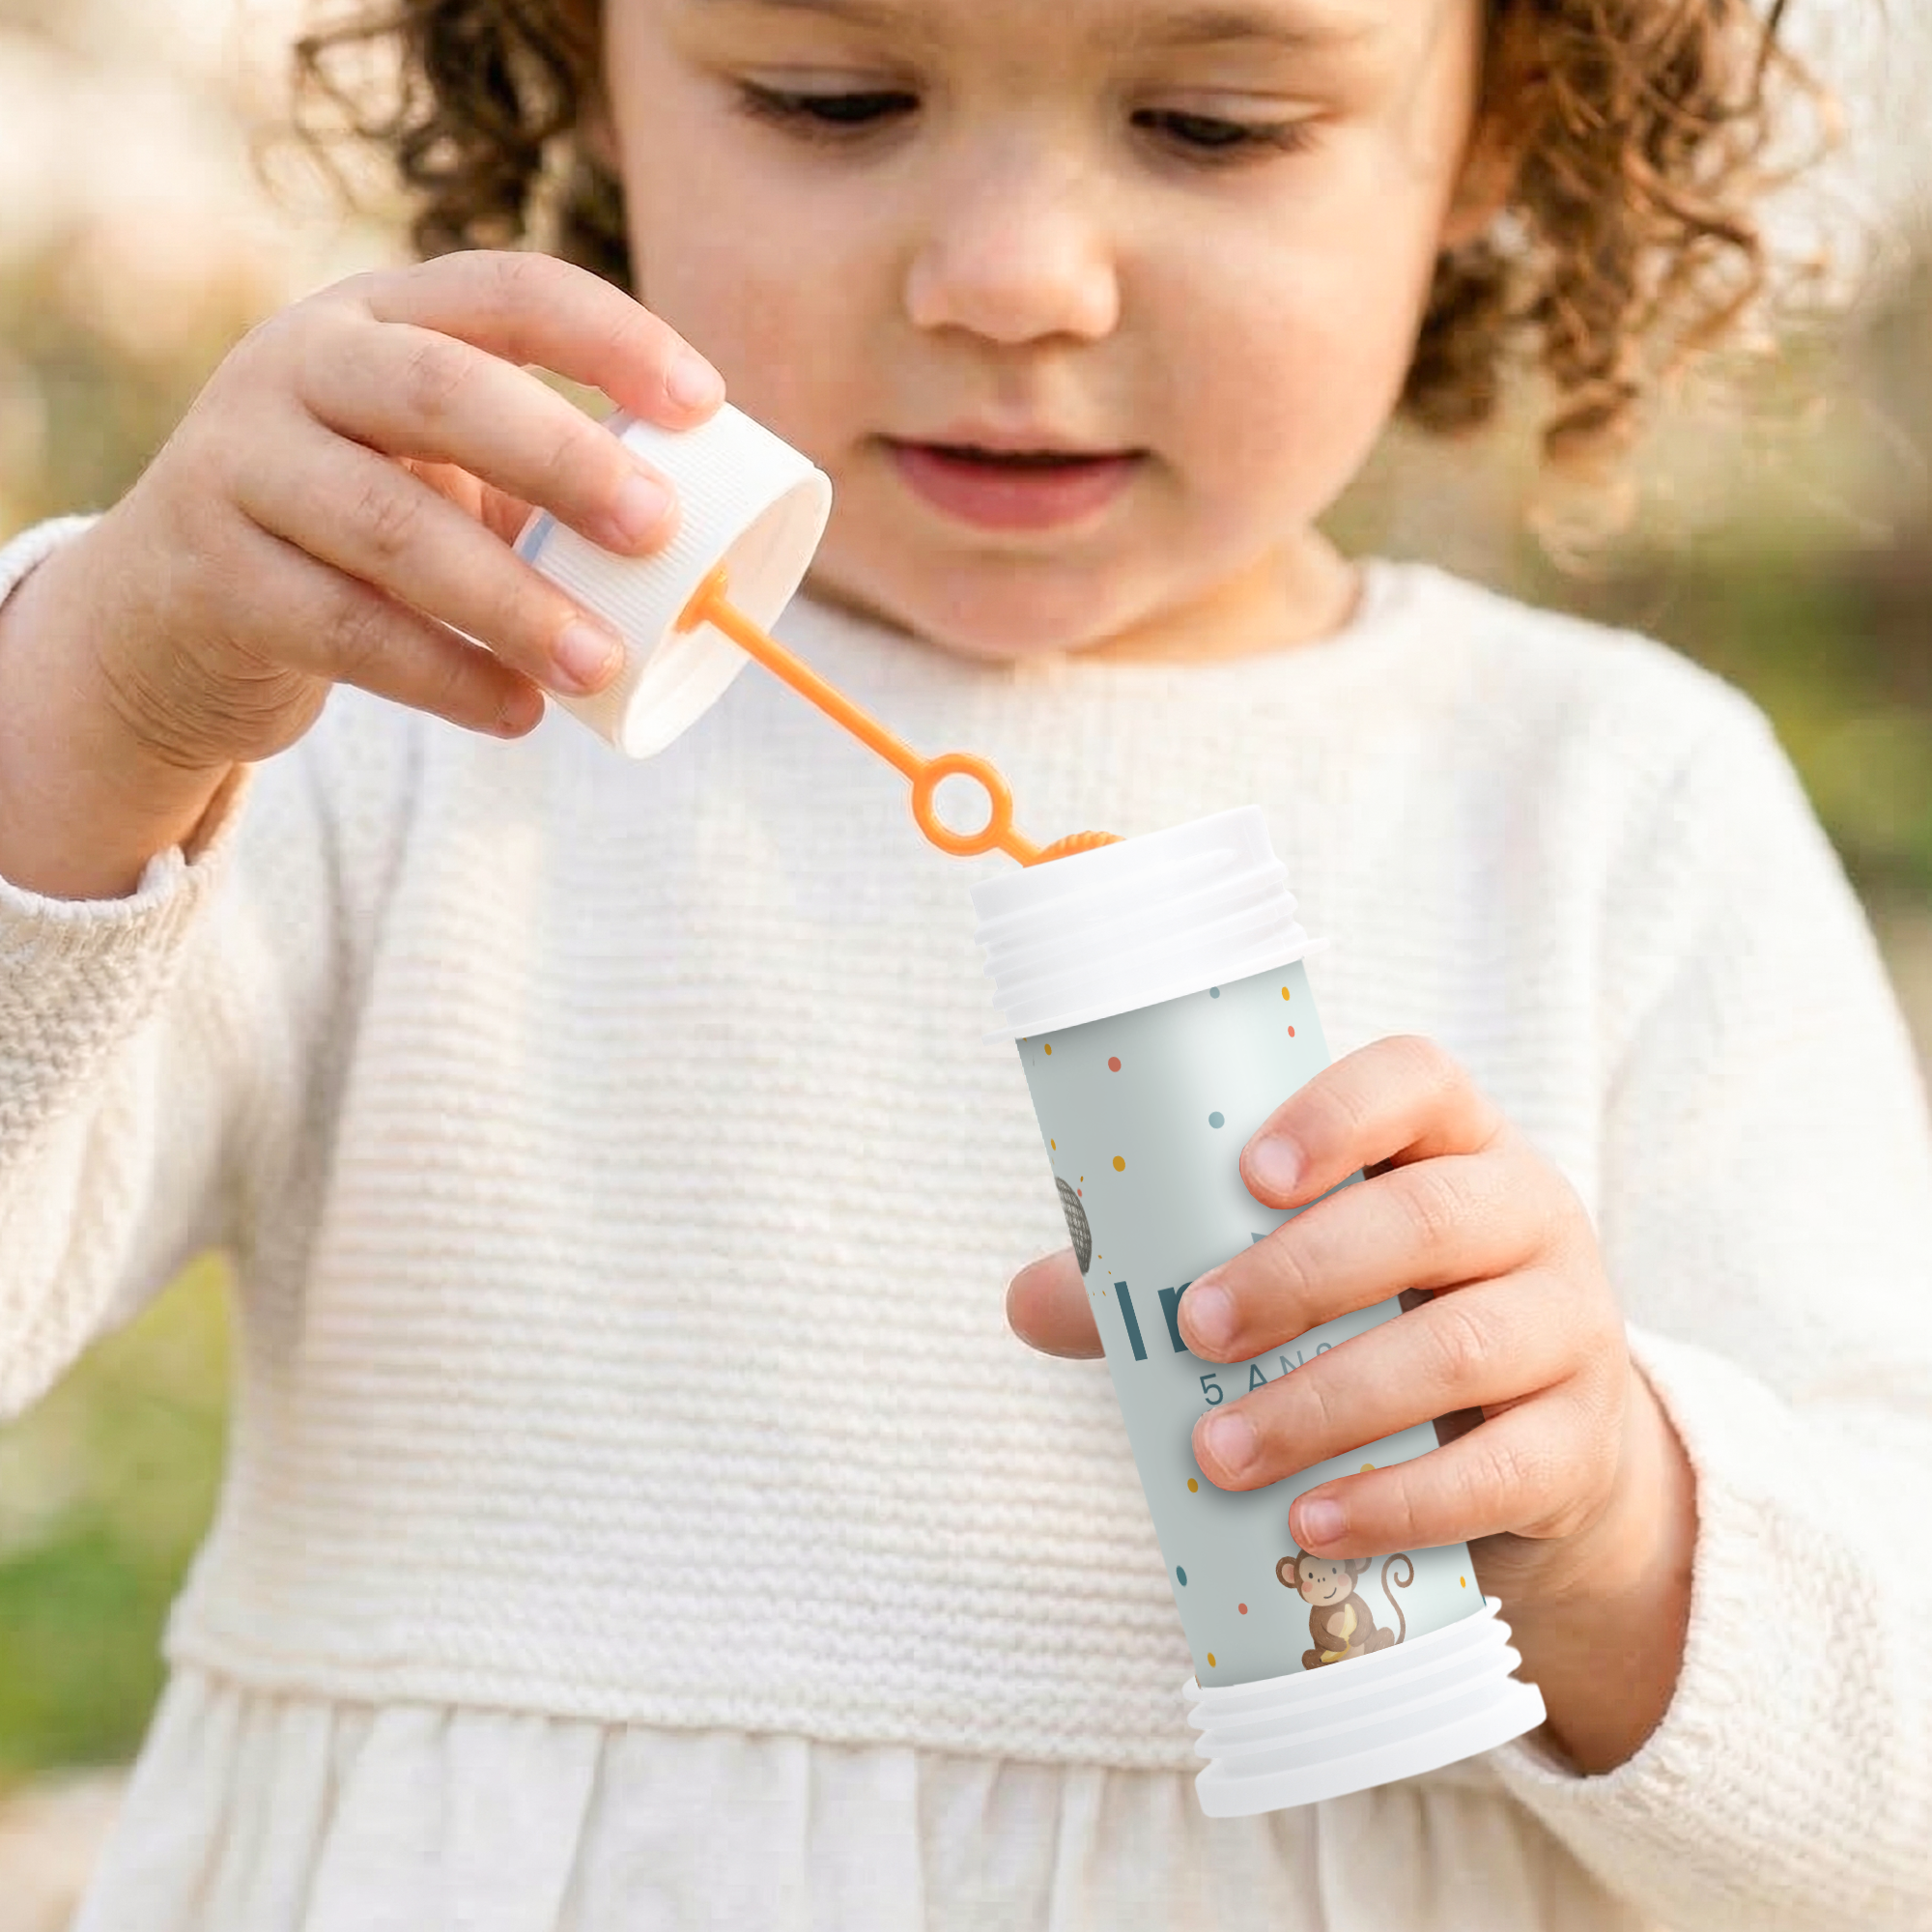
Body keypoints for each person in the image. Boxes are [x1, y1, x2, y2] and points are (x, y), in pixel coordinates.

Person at [0, 0, 1926, 1924]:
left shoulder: (1607, 808)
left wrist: (1614, 1526)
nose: (1013, 281)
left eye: (1212, 123)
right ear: (581, 65)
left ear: (1504, 120)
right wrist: (102, 709)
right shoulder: (376, 705)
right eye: (832, 100)